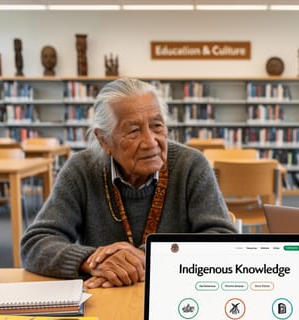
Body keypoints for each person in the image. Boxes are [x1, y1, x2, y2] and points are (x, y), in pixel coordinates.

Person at [20, 77, 235, 289]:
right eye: (134, 131)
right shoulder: (81, 170)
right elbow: (35, 244)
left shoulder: (191, 165)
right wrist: (93, 260)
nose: (151, 142)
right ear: (104, 140)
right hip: (105, 300)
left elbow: (224, 240)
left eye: (157, 126)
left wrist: (146, 256)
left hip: (177, 293)